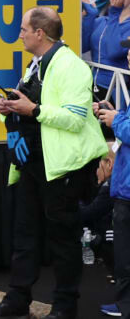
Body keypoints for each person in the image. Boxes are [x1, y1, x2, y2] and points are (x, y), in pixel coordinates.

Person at [0, 7, 108, 319]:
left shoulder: (72, 67)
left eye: (24, 29)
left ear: (40, 33)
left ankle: (64, 308)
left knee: (63, 240)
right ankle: (17, 301)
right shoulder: (35, 64)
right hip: (34, 162)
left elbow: (75, 119)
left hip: (63, 167)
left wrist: (33, 110)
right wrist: (11, 107)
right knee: (25, 235)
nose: (19, 34)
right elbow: (34, 105)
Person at [96, 95, 130, 319]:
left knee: (125, 257)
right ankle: (124, 304)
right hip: (124, 189)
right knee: (124, 257)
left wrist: (116, 120)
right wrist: (113, 113)